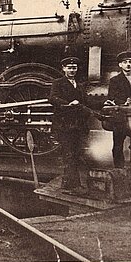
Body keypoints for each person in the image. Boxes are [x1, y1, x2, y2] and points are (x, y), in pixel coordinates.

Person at [49, 57, 90, 194]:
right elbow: (53, 98)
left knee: (75, 154)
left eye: (74, 68)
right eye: (69, 68)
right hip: (64, 125)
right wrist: (68, 104)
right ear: (64, 69)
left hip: (77, 125)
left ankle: (69, 185)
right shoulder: (58, 83)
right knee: (69, 155)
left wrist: (106, 102)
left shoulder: (79, 84)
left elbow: (86, 101)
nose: (72, 70)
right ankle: (72, 186)